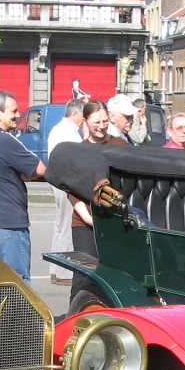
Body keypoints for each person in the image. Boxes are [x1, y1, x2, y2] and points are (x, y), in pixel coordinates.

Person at [0, 90, 45, 282]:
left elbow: (1, 169)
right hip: (8, 224)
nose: (18, 115)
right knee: (17, 284)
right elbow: (39, 168)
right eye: (13, 111)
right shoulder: (5, 139)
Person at [69, 100, 128, 295]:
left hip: (115, 222)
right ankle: (78, 311)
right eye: (96, 122)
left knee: (115, 276)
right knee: (84, 278)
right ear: (85, 121)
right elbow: (71, 190)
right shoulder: (79, 150)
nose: (101, 126)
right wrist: (88, 218)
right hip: (85, 224)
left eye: (105, 121)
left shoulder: (120, 145)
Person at [46, 99, 84, 285]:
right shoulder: (66, 132)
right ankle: (63, 271)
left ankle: (57, 270)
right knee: (66, 225)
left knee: (61, 224)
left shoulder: (62, 130)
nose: (84, 120)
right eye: (83, 116)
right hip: (65, 183)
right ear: (75, 114)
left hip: (61, 182)